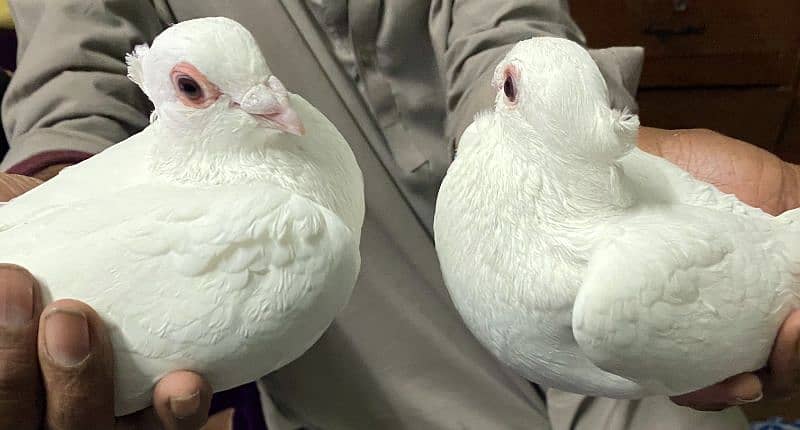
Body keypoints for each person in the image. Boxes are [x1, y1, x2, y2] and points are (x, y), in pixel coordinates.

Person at [1, 1, 799, 429]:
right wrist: (63, 185)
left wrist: (565, 130)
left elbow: (510, 29)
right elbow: (81, 52)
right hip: (337, 307)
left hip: (610, 291)